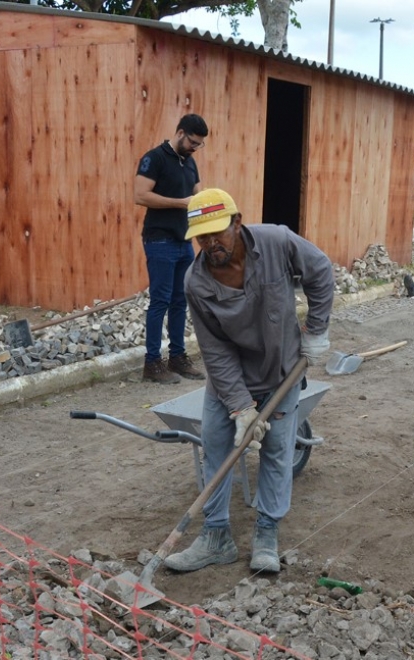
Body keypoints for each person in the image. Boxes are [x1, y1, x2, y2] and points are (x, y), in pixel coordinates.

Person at [165, 188, 335, 574]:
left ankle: (267, 533)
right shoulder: (197, 283)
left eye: (217, 234)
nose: (210, 245)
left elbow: (321, 271)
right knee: (216, 445)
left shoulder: (276, 241)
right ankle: (216, 536)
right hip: (231, 378)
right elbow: (215, 350)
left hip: (281, 369)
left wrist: (317, 330)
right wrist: (240, 406)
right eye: (201, 237)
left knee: (276, 449)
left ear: (237, 222)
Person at [133, 113, 210, 384]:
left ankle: (177, 358)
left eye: (199, 144)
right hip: (159, 240)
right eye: (192, 141)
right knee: (160, 301)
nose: (194, 147)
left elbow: (198, 197)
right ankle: (152, 364)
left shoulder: (191, 164)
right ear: (179, 133)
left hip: (184, 241)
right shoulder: (154, 158)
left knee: (181, 301)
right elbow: (140, 195)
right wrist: (181, 203)